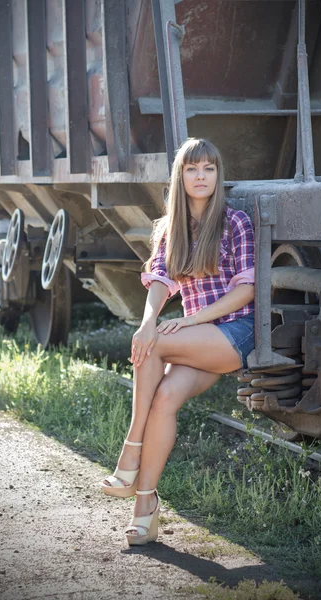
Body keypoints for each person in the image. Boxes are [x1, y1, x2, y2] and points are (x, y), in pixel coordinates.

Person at [101, 137, 255, 546]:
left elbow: (245, 291)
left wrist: (187, 323)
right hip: (197, 338)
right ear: (180, 175)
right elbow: (160, 282)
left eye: (208, 168)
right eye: (192, 169)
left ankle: (130, 450)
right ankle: (145, 509)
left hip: (234, 331)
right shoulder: (171, 229)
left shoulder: (234, 221)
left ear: (218, 175)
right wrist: (147, 321)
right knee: (165, 395)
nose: (200, 176)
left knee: (158, 343)